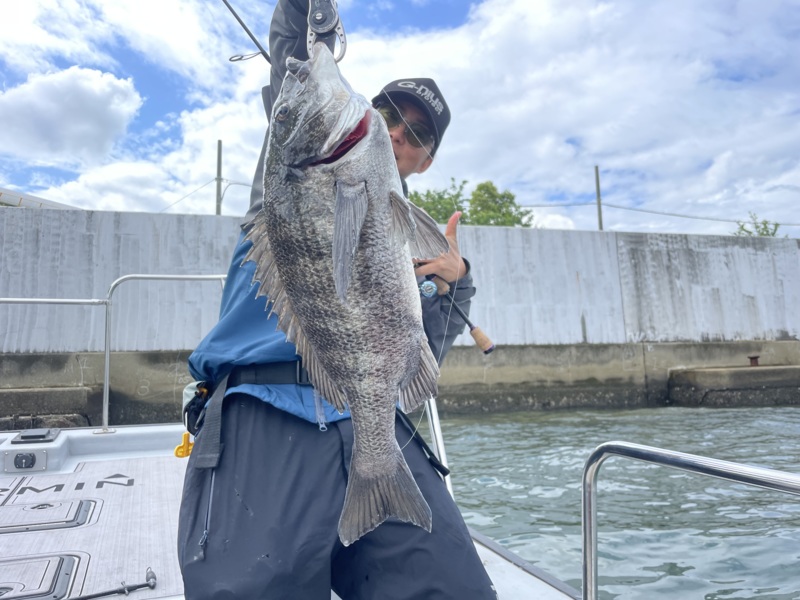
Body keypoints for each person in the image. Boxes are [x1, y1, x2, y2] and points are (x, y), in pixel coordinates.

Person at [177, 1, 496, 598]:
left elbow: (419, 361)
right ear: (367, 113)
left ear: (426, 160)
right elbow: (292, 60)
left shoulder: (414, 241)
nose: (398, 132)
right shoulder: (294, 170)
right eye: (390, 114)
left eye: (417, 133)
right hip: (263, 405)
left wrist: (455, 282)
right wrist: (306, 12)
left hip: (372, 422)